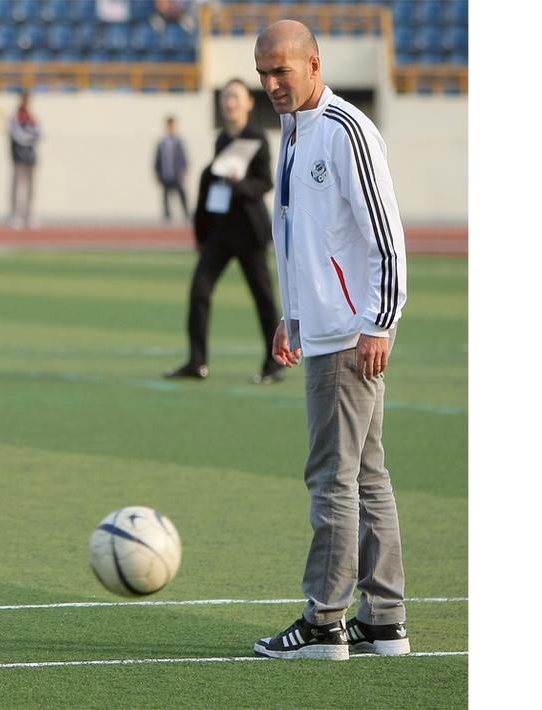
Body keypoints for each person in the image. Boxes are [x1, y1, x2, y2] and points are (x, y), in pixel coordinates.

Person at [249, 20, 409, 661]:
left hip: (348, 335)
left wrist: (380, 322)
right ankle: (384, 620)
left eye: (281, 70)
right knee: (366, 475)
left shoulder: (346, 130)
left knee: (332, 478)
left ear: (314, 64)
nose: (271, 84)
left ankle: (324, 621)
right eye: (263, 72)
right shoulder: (293, 132)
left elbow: (385, 236)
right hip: (323, 328)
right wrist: (292, 315)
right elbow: (303, 239)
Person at [164, 79, 284, 384]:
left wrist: (238, 185)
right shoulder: (221, 140)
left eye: (235, 97)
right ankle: (197, 361)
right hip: (221, 232)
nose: (229, 102)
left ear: (248, 103)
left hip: (249, 232)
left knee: (263, 298)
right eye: (226, 97)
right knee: (199, 291)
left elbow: (265, 183)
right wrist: (202, 232)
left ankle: (274, 363)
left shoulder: (257, 137)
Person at [8, 90, 41, 230]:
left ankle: (29, 215)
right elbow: (18, 135)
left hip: (31, 156)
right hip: (19, 156)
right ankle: (16, 215)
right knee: (18, 187)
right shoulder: (16, 117)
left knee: (31, 188)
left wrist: (31, 136)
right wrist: (29, 137)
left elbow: (39, 133)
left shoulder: (32, 118)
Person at [153, 116, 189, 222]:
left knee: (182, 193)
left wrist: (184, 170)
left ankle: (186, 212)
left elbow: (183, 158)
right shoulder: (162, 143)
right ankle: (167, 214)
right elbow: (157, 159)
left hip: (176, 174)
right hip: (166, 174)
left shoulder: (178, 142)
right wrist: (157, 172)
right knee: (165, 195)